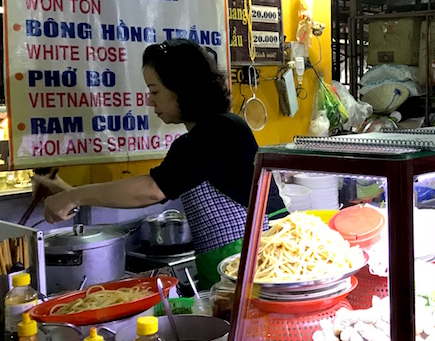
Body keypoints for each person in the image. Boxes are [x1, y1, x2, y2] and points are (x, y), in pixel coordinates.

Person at [38, 40, 285, 289]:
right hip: (232, 262)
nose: (149, 101)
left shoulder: (217, 131)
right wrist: (67, 192)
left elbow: (151, 190)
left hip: (258, 257)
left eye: (155, 91)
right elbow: (152, 187)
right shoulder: (204, 135)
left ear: (182, 88)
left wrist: (75, 197)